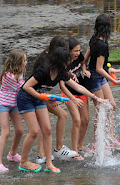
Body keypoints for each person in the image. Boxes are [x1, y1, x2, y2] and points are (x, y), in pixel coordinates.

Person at [17, 47, 105, 173]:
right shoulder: (43, 71)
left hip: (41, 98)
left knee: (47, 130)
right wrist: (43, 96)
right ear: (60, 61)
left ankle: (49, 164)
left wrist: (95, 97)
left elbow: (77, 87)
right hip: (26, 98)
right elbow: (26, 86)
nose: (69, 63)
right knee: (34, 131)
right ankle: (24, 162)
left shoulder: (61, 73)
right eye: (67, 60)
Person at [84, 13, 120, 150]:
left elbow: (85, 59)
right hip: (95, 79)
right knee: (101, 111)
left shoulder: (94, 39)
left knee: (112, 106)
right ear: (107, 28)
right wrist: (116, 81)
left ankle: (109, 138)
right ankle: (97, 143)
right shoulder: (102, 45)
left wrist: (84, 68)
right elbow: (98, 68)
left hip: (99, 77)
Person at [33, 36, 78, 164]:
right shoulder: (44, 62)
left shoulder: (52, 59)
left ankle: (58, 148)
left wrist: (68, 74)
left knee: (62, 115)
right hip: (37, 96)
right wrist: (48, 99)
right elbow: (36, 86)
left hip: (45, 95)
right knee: (45, 125)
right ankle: (41, 155)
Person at [0, 49, 26, 172]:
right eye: (24, 60)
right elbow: (22, 87)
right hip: (3, 104)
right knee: (5, 132)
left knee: (19, 130)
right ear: (18, 61)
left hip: (14, 104)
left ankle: (12, 154)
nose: (26, 62)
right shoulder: (8, 75)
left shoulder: (20, 71)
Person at [59, 37, 91, 160]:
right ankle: (74, 151)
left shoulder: (79, 57)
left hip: (80, 88)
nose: (78, 53)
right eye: (75, 51)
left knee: (86, 119)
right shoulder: (64, 62)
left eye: (79, 50)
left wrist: (84, 70)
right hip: (68, 93)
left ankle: (80, 145)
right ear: (69, 51)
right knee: (77, 120)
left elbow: (83, 62)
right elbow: (62, 82)